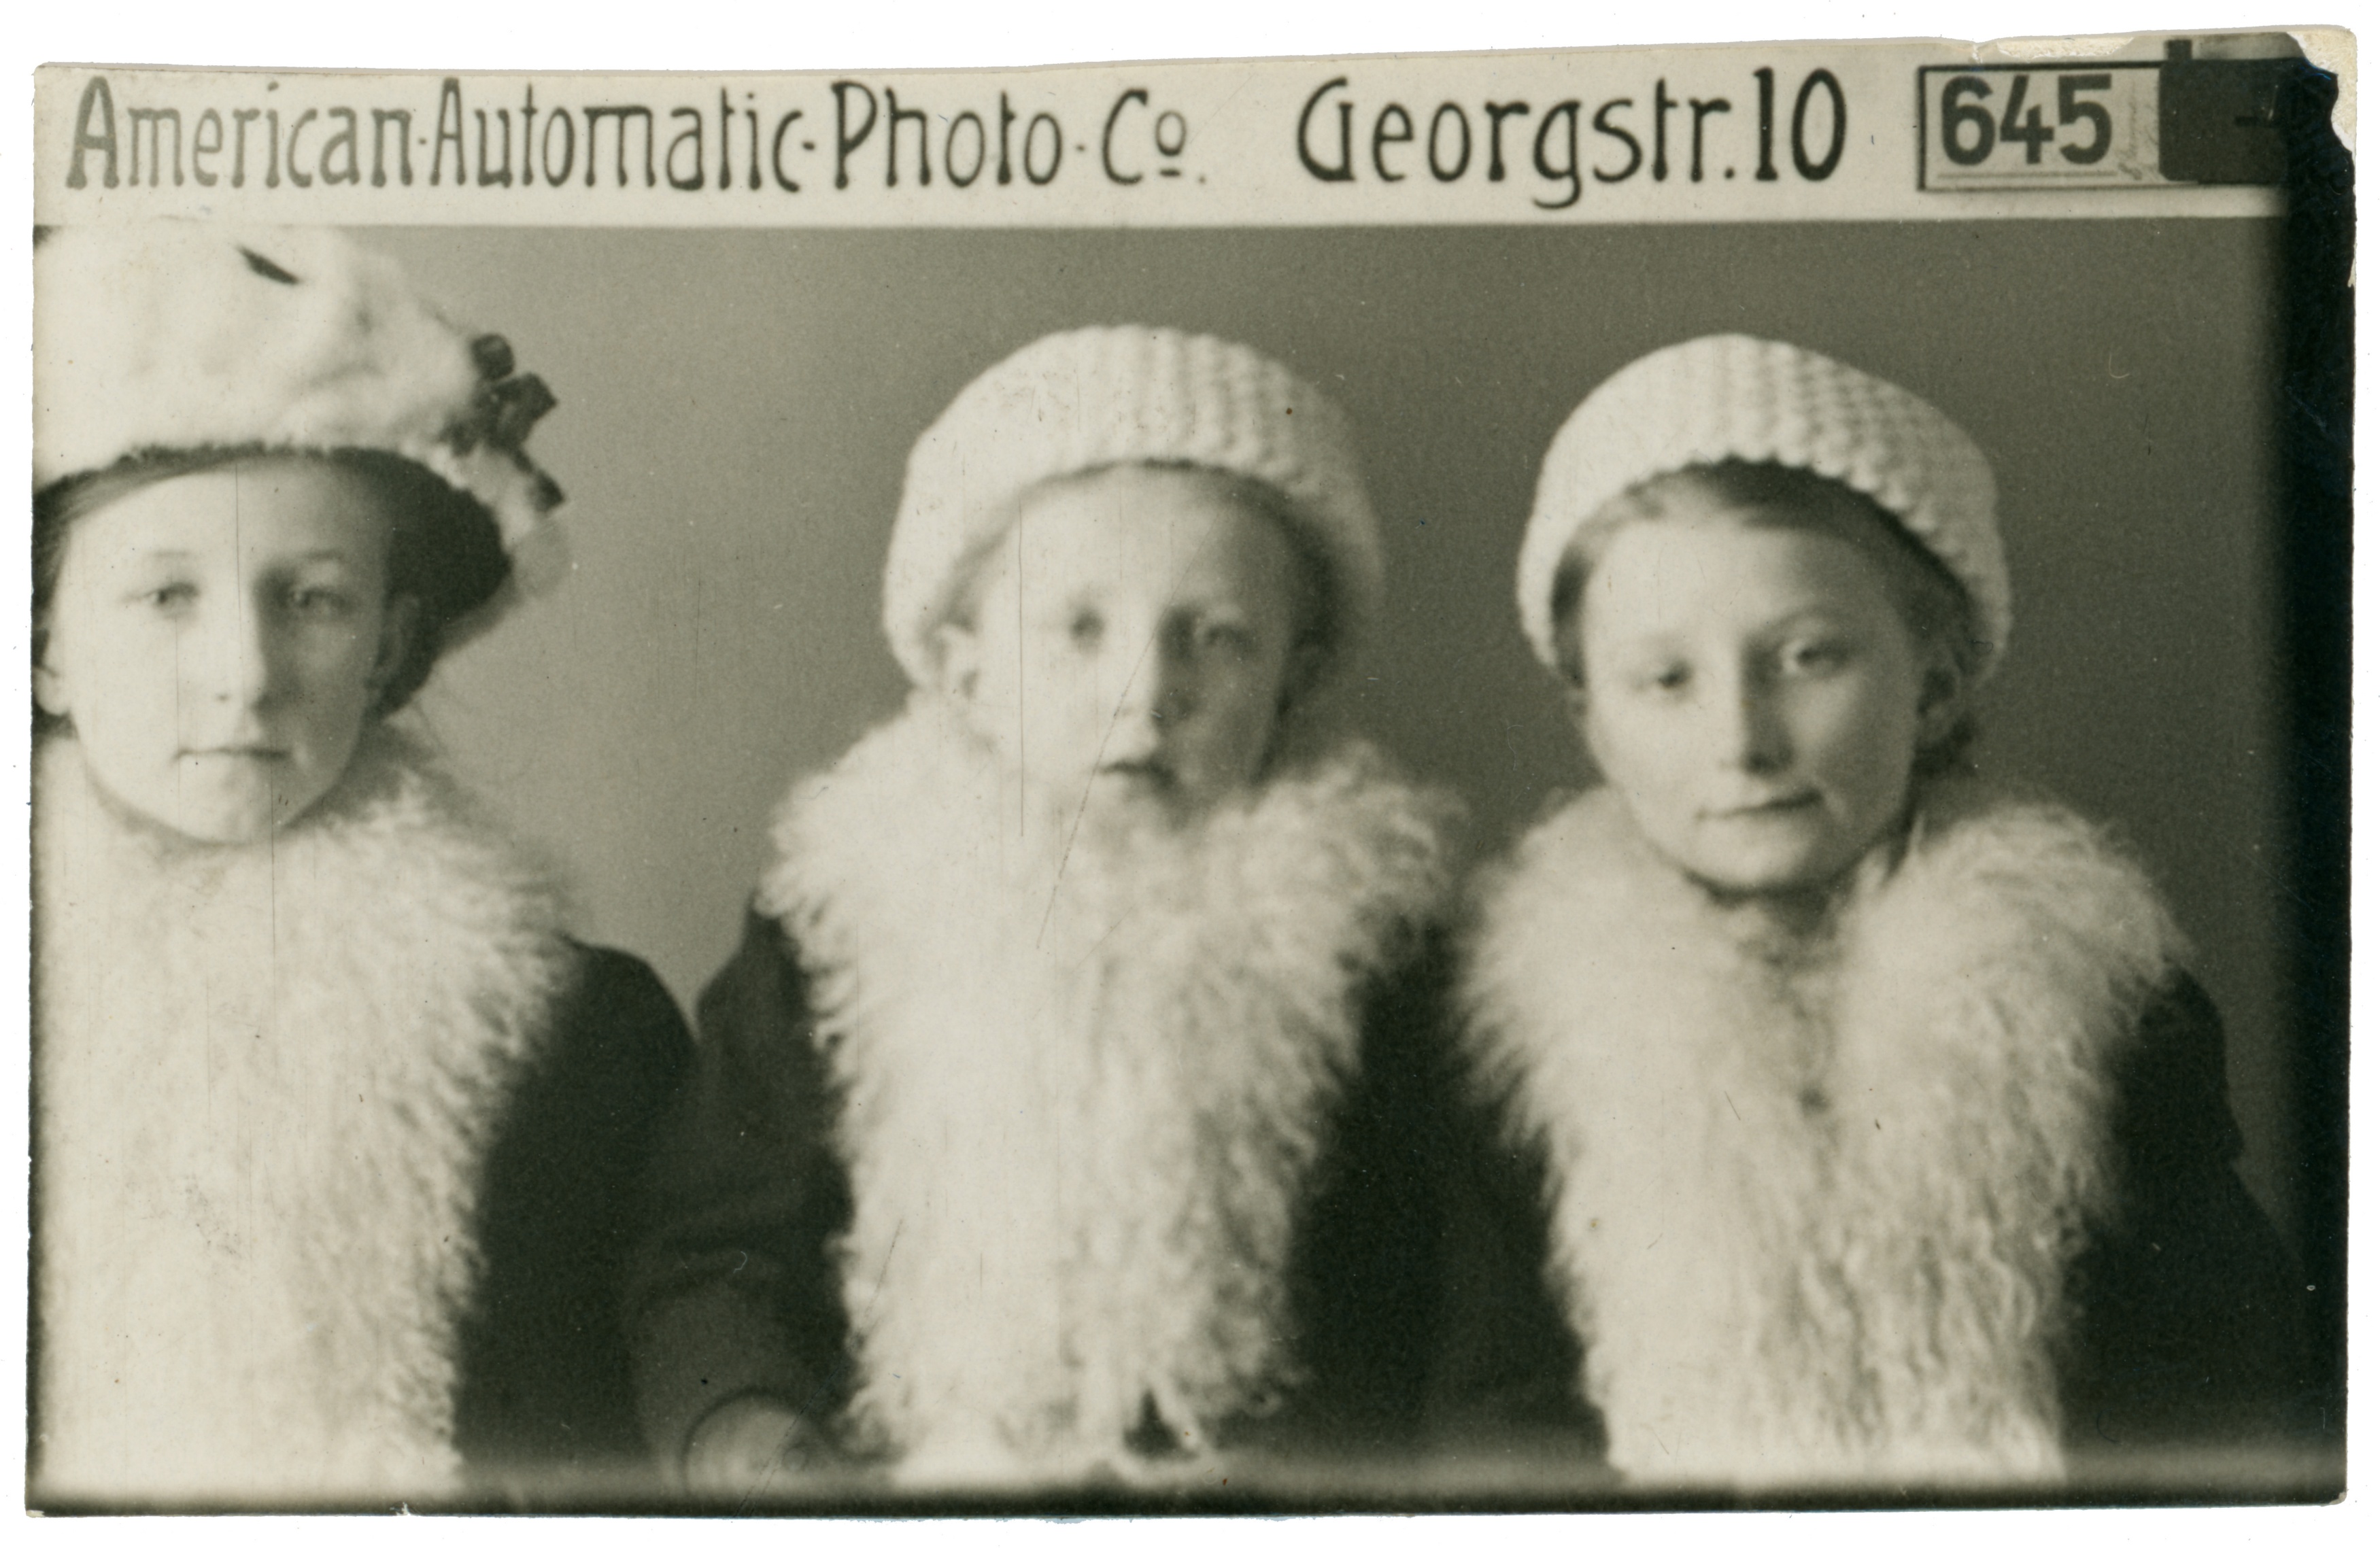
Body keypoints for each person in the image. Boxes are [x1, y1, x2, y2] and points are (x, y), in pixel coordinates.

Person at [1442, 334, 2310, 1488]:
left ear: (1935, 681)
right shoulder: (1525, 1041)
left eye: (1808, 657)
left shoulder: (2089, 1006)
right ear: (1593, 720)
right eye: (1667, 679)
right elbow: (1497, 1436)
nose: (1742, 740)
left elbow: (2228, 1399)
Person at [627, 326, 1459, 1491]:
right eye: (1078, 629)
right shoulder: (843, 923)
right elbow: (711, 1257)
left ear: (1295, 678)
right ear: (966, 672)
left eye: (1216, 637)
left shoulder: (1371, 951)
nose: (1144, 694)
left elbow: (1430, 1302)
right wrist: (745, 1424)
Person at [29, 224, 690, 1506]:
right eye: (167, 597)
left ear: (389, 650)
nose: (244, 675)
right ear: (45, 645)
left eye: (313, 599)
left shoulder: (579, 1043)